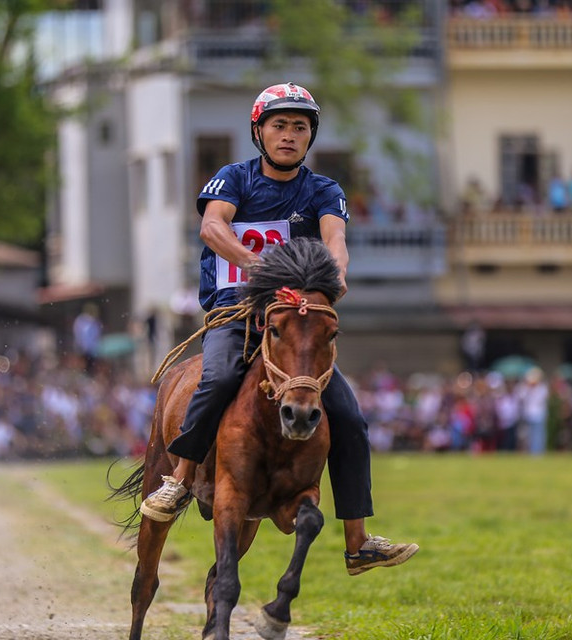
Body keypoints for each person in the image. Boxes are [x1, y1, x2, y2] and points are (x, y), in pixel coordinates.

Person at [139, 83, 418, 576]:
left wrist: (336, 276)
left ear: (310, 137)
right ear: (258, 131)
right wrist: (255, 264)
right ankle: (179, 478)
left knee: (349, 417)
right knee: (220, 376)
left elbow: (336, 240)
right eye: (279, 125)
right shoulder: (232, 179)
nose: (289, 135)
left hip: (294, 318)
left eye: (300, 127)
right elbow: (211, 228)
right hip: (235, 311)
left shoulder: (323, 190)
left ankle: (358, 541)